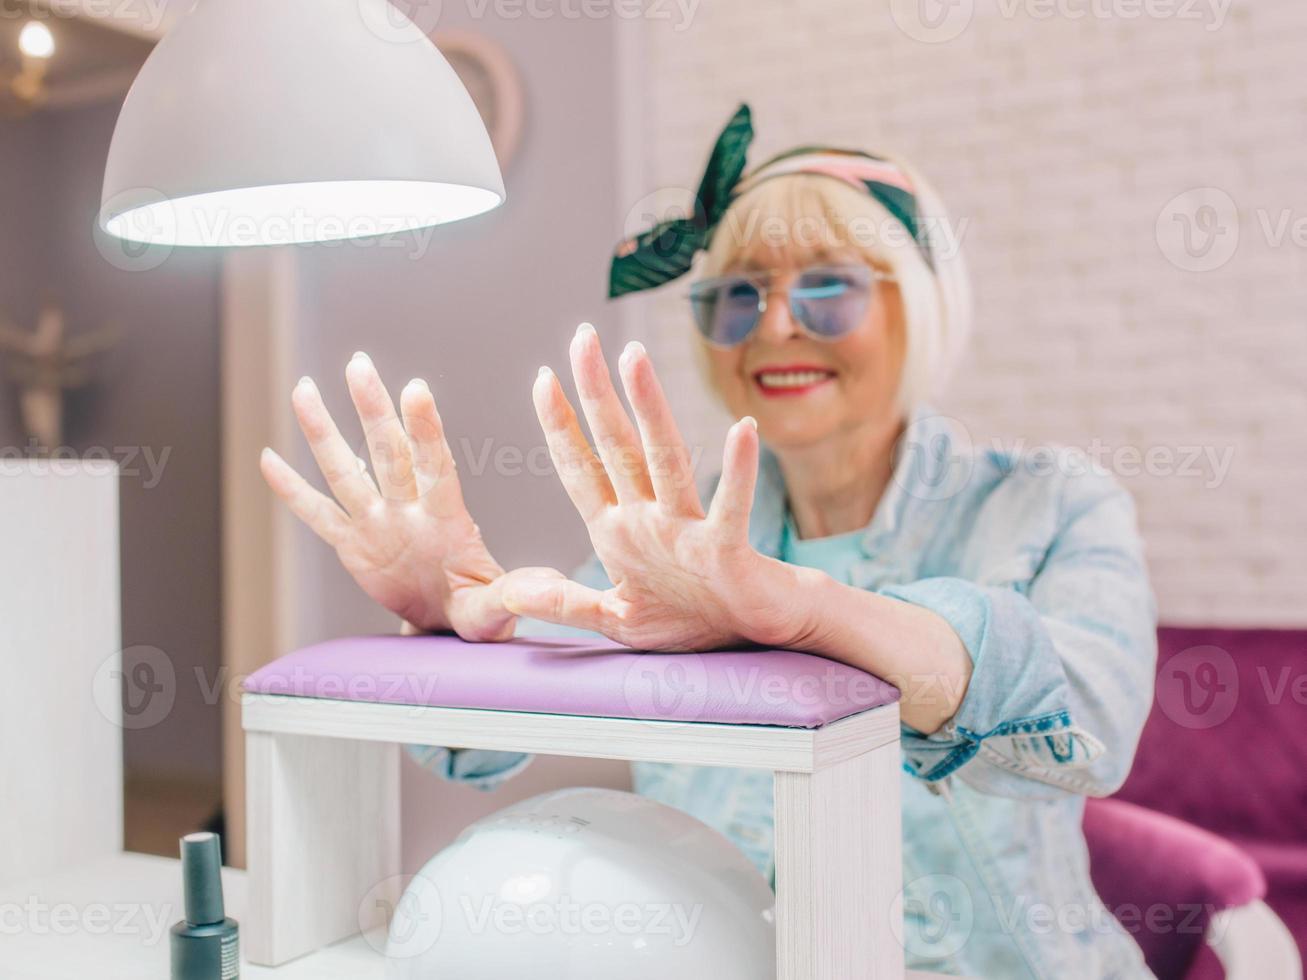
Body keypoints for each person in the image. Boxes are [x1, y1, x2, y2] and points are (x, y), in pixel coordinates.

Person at [260, 104, 1157, 978]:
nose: (772, 328)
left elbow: (1084, 729)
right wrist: (454, 627)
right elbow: (492, 733)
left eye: (827, 286)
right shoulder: (679, 535)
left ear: (917, 303)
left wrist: (808, 612)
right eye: (736, 295)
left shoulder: (1048, 505)